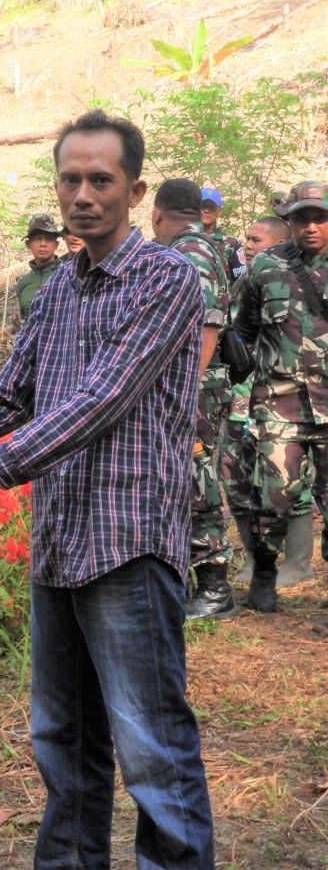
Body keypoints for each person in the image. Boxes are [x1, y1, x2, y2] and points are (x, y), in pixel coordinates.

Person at [0, 110, 215, 869]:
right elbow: (10, 394)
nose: (83, 195)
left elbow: (100, 400)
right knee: (64, 745)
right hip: (60, 542)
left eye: (101, 180)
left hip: (127, 546)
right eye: (70, 180)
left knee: (154, 752)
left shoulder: (167, 280)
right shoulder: (59, 287)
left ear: (135, 190)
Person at [234, 180, 328, 613]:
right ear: (289, 222)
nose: (310, 227)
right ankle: (266, 572)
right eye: (301, 218)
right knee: (273, 498)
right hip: (279, 404)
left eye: (319, 218)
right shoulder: (265, 267)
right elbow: (245, 329)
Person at [152, 178, 236, 621]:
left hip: (194, 389)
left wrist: (185, 390)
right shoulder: (195, 249)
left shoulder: (191, 254)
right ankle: (183, 579)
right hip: (190, 386)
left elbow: (207, 326)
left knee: (195, 480)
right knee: (180, 478)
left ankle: (215, 586)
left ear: (157, 214)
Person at [222, 217, 315, 587]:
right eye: (246, 238)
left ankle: (297, 563)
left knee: (291, 483)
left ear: (278, 242)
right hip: (248, 398)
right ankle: (256, 562)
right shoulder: (248, 278)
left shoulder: (294, 276)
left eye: (256, 239)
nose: (247, 245)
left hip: (289, 401)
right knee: (240, 477)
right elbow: (239, 334)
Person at [15, 213, 64, 320]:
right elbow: (23, 320)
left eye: (49, 239)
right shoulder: (23, 282)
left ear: (56, 245)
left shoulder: (68, 276)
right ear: (28, 244)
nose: (43, 244)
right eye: (37, 239)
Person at [200, 186, 247, 286]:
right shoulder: (183, 238)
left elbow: (240, 280)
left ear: (219, 212)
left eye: (211, 207)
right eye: (202, 206)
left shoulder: (231, 244)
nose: (206, 210)